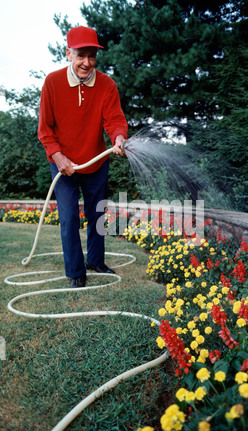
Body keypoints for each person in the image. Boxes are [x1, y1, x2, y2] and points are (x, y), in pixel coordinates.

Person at [38, 26, 128, 288]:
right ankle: (76, 272)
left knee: (97, 215)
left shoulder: (107, 84)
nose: (86, 63)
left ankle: (96, 261)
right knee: (68, 218)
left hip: (95, 162)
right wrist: (58, 157)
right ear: (68, 53)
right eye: (80, 55)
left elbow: (114, 119)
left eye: (92, 56)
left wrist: (119, 138)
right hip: (63, 164)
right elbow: (45, 131)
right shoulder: (52, 83)